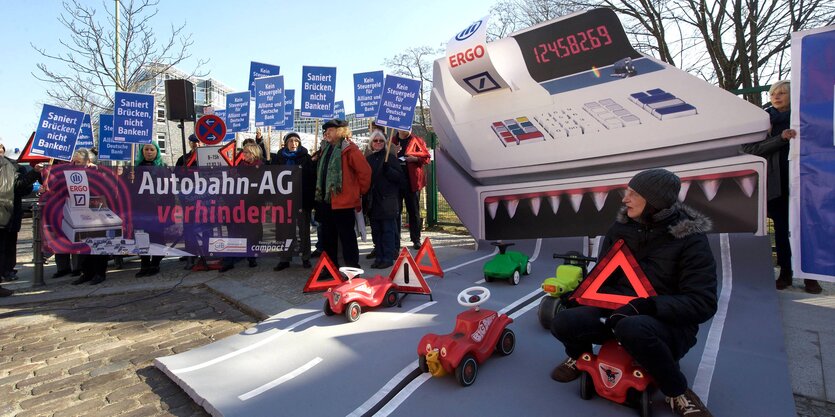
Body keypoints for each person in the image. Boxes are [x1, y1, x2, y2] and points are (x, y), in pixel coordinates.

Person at [550, 168, 717, 417]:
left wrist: (648, 306)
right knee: (564, 319)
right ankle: (579, 356)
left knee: (634, 328)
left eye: (634, 193)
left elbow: (702, 302)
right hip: (616, 312)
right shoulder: (620, 229)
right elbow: (604, 279)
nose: (625, 199)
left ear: (655, 202)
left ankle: (677, 392)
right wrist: (582, 297)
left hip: (664, 323)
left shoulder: (692, 239)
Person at [741, 81, 821, 294]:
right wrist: (780, 138)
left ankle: (810, 277)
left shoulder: (805, 118)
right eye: (773, 93)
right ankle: (785, 273)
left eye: (782, 93)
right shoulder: (763, 119)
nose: (777, 97)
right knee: (783, 230)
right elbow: (750, 149)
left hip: (805, 184)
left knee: (807, 230)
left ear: (792, 96)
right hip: (777, 185)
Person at [314, 119, 371, 269]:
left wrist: (358, 193)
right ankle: (330, 269)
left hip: (344, 203)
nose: (326, 133)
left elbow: (365, 172)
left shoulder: (350, 149)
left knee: (347, 238)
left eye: (330, 130)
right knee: (328, 238)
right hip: (327, 202)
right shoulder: (325, 149)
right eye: (325, 131)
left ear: (340, 131)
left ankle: (352, 269)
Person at [0, 144, 42, 296]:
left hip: (7, 212)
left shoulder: (12, 167)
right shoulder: (7, 166)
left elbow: (20, 186)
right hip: (5, 211)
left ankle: (7, 270)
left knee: (7, 245)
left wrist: (34, 174)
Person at [273, 132, 315, 270]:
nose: (293, 143)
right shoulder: (278, 158)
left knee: (304, 231)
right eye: (290, 141)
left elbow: (311, 179)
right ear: (286, 143)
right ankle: (285, 258)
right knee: (284, 230)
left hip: (302, 200)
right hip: (283, 201)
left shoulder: (306, 158)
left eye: (296, 141)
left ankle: (305, 257)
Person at [219, 143, 263, 272]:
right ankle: (230, 259)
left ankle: (251, 257)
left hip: (253, 205)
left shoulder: (262, 167)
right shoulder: (238, 167)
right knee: (234, 230)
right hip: (237, 204)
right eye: (244, 152)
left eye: (248, 152)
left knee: (252, 232)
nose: (245, 155)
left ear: (254, 154)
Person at [365, 131, 404, 269]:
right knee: (376, 232)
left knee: (388, 230)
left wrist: (390, 171)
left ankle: (387, 258)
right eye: (375, 141)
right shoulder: (368, 160)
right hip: (374, 201)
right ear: (371, 143)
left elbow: (400, 179)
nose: (378, 143)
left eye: (381, 141)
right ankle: (379, 257)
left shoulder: (390, 158)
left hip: (387, 201)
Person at [390, 129, 430, 249]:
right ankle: (396, 240)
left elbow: (426, 157)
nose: (404, 129)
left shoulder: (417, 141)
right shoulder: (392, 141)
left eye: (407, 127)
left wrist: (415, 159)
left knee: (413, 212)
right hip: (395, 182)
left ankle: (416, 239)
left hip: (412, 182)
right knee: (396, 212)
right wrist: (393, 153)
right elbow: (384, 158)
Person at [133, 142, 167, 277]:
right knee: (141, 236)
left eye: (152, 149)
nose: (149, 152)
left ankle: (155, 262)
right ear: (142, 151)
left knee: (156, 235)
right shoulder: (134, 168)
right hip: (140, 208)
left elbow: (168, 189)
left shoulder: (162, 168)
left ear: (156, 151)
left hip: (156, 208)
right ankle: (144, 263)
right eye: (146, 149)